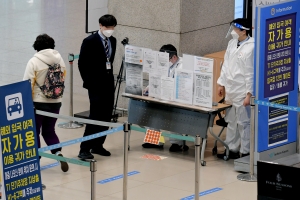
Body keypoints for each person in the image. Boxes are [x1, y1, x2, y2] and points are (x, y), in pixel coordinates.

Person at [23, 34, 69, 173]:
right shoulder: (60, 59)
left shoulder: (34, 62)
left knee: (34, 132)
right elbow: (63, 77)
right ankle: (58, 153)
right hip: (56, 102)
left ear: (36, 46)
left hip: (38, 104)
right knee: (49, 130)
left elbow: (27, 83)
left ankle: (35, 159)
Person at [78, 14, 117, 160]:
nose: (110, 30)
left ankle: (98, 144)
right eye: (107, 27)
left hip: (108, 84)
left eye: (112, 27)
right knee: (95, 115)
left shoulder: (113, 40)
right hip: (95, 85)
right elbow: (82, 64)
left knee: (106, 115)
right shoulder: (90, 41)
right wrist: (89, 83)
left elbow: (110, 62)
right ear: (100, 25)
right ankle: (84, 148)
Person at [216, 18, 254, 160]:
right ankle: (231, 149)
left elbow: (250, 73)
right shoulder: (232, 43)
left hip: (242, 91)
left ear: (243, 31)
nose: (233, 32)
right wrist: (221, 84)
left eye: (235, 29)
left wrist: (249, 95)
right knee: (231, 121)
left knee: (243, 123)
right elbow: (225, 66)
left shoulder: (251, 47)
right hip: (231, 91)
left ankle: (245, 151)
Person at [142, 44, 189, 152]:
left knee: (172, 115)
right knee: (150, 111)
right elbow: (156, 77)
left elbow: (182, 85)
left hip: (177, 100)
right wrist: (148, 88)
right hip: (162, 97)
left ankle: (177, 143)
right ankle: (156, 141)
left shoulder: (183, 66)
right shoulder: (163, 64)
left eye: (165, 59)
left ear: (174, 57)